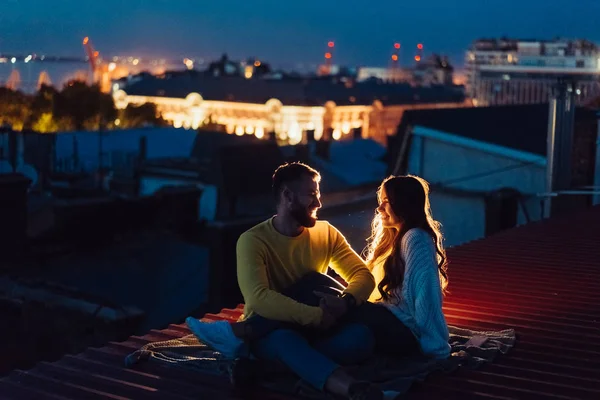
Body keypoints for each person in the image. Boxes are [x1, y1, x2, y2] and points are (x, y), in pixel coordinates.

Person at [186, 162, 382, 399]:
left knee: (362, 338)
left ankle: (271, 368)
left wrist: (346, 302)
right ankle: (352, 388)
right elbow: (259, 299)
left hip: (315, 331)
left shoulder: (326, 232)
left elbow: (363, 275)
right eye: (311, 195)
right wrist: (315, 316)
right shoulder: (253, 240)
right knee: (284, 340)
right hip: (274, 330)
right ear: (288, 196)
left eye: (317, 195)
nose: (318, 203)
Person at [344, 174, 451, 360]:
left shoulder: (416, 238)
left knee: (341, 305)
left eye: (386, 201)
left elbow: (426, 295)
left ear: (404, 203)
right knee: (322, 286)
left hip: (403, 332)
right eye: (380, 201)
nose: (379, 208)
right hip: (387, 323)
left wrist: (435, 347)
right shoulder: (393, 240)